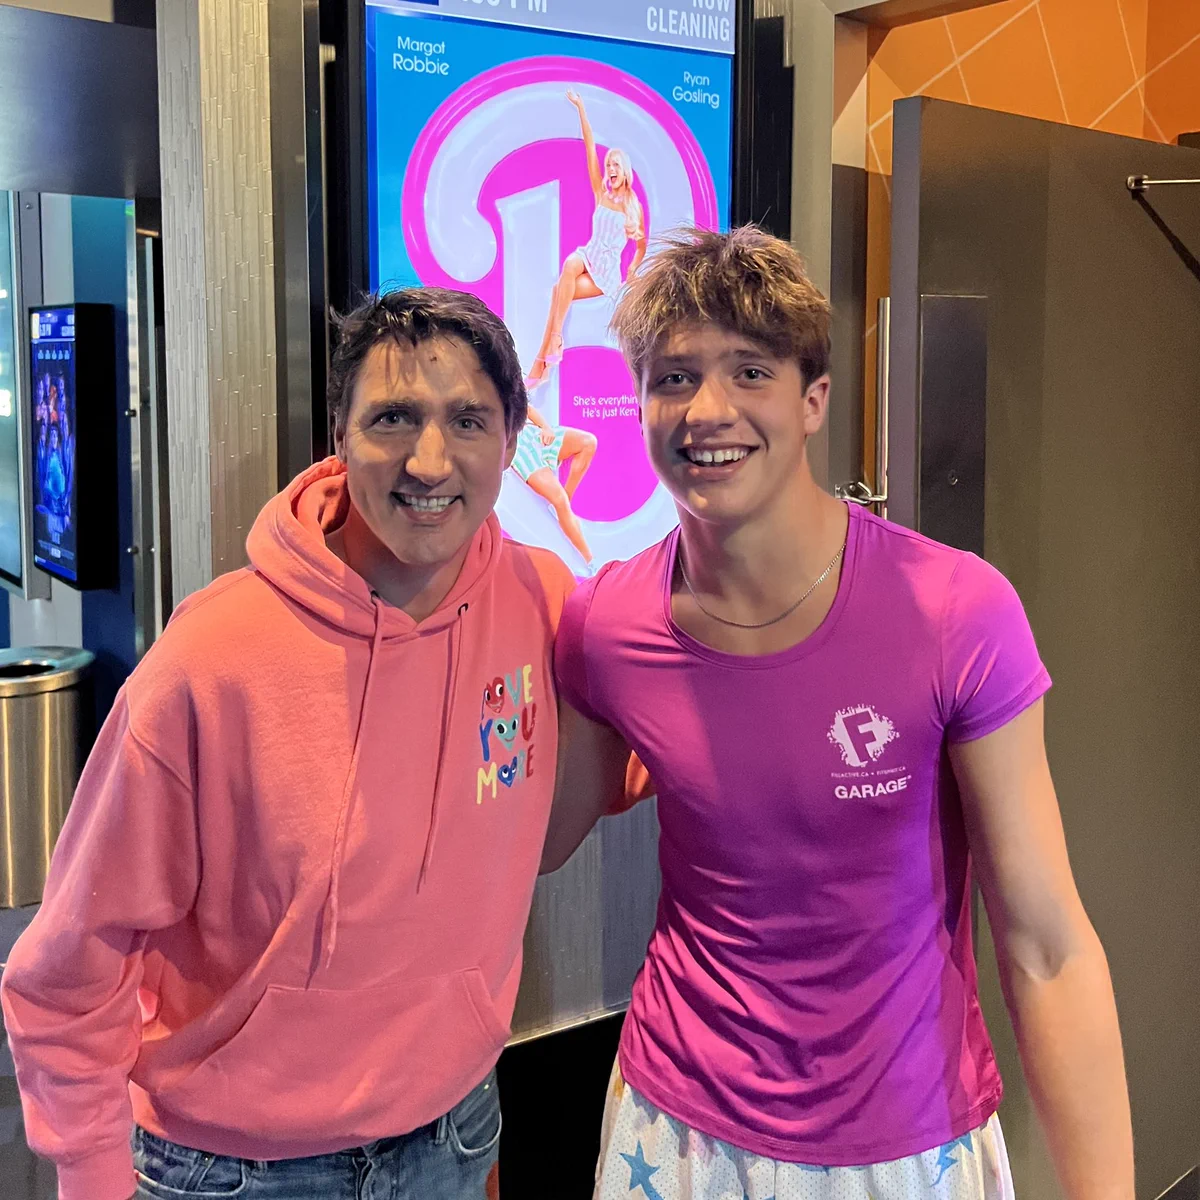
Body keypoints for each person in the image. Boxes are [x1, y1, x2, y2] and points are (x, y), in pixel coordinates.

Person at [546, 227, 1135, 1200]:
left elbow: (1047, 946)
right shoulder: (607, 624)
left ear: (814, 400)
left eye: (749, 371)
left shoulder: (954, 611)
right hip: (675, 1130)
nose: (708, 409)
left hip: (904, 1142)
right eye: (674, 377)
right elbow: (532, 838)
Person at [2, 287, 577, 1200]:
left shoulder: (540, 603)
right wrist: (89, 1171)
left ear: (510, 443)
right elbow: (69, 966)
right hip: (232, 1168)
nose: (430, 459)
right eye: (393, 417)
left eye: (467, 419)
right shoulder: (211, 658)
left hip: (455, 1135)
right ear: (339, 440)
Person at [524, 89, 647, 390]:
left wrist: (632, 269)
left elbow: (641, 245)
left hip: (605, 272)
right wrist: (581, 109)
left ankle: (541, 365)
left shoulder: (633, 205)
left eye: (615, 165)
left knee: (557, 292)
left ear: (625, 170)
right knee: (568, 266)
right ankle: (553, 346)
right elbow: (589, 147)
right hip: (586, 255)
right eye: (609, 165)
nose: (610, 169)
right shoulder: (600, 193)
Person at [510, 401, 598, 566]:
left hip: (533, 433)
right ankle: (590, 561)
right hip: (519, 449)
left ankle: (567, 505)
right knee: (559, 500)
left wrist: (545, 427)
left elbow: (526, 407)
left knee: (588, 442)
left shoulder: (509, 383)